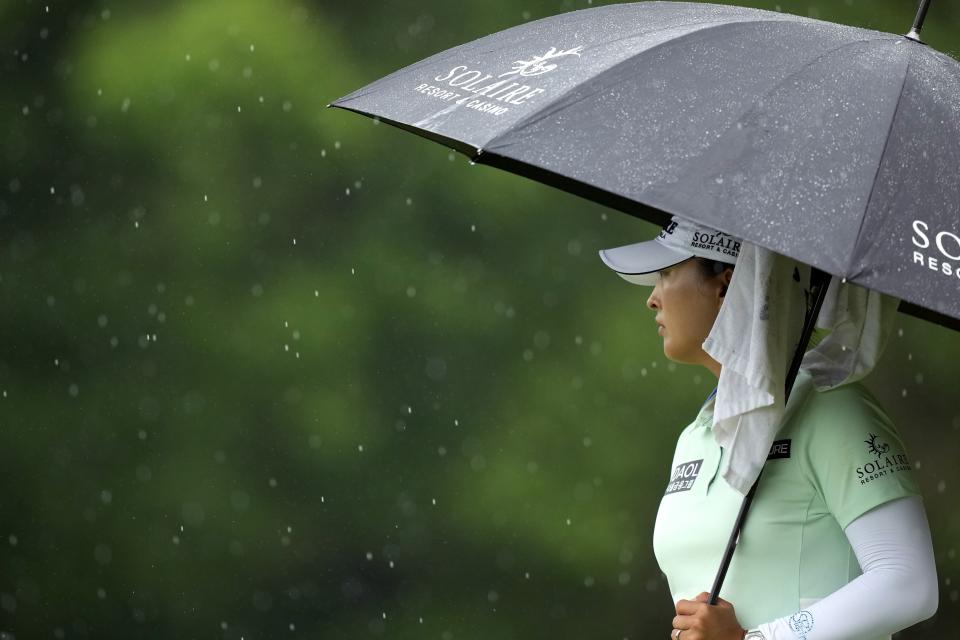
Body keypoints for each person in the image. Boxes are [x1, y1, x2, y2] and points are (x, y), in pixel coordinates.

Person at [598, 216, 939, 640]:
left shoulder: (832, 405)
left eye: (667, 274)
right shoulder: (694, 436)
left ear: (725, 286)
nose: (652, 299)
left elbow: (908, 583)